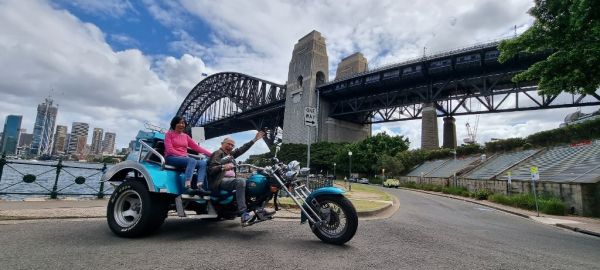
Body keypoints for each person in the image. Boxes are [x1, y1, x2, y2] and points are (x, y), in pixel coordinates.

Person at [207, 131, 273, 224]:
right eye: (228, 144)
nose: (230, 146)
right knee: (240, 181)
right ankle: (243, 213)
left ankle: (258, 208)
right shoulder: (218, 153)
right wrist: (222, 167)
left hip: (229, 181)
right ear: (222, 144)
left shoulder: (230, 155)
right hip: (219, 181)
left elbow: (242, 149)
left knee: (251, 183)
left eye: (232, 145)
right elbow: (211, 170)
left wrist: (254, 140)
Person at [164, 116, 212, 196]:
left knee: (202, 163)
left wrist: (211, 154)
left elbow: (197, 148)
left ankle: (200, 186)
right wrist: (183, 156)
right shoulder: (169, 134)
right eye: (179, 123)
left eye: (183, 123)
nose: (181, 125)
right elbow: (169, 150)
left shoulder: (186, 136)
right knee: (191, 160)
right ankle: (187, 187)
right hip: (171, 157)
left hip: (183, 158)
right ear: (174, 124)